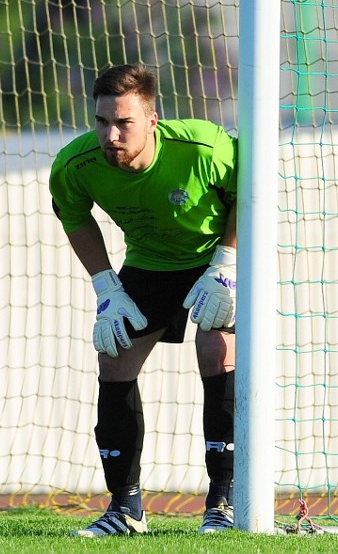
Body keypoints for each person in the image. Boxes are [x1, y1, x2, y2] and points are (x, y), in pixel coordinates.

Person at [49, 64, 237, 537]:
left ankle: (224, 503)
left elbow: (249, 198)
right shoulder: (76, 165)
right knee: (112, 357)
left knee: (216, 352)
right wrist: (105, 286)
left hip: (215, 261)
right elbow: (74, 216)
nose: (110, 135)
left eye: (123, 123)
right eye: (101, 121)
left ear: (152, 120)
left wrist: (227, 265)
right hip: (151, 263)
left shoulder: (205, 147)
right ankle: (126, 510)